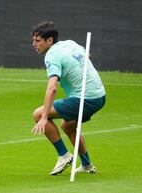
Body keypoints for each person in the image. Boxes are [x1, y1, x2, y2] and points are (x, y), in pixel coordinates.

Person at [31, 21, 106, 175]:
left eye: (37, 41)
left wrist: (44, 117)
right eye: (33, 40)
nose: (34, 44)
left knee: (38, 114)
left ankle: (64, 156)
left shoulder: (52, 55)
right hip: (99, 96)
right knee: (68, 126)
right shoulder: (70, 44)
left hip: (85, 98)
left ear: (50, 40)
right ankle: (87, 165)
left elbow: (52, 88)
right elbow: (86, 55)